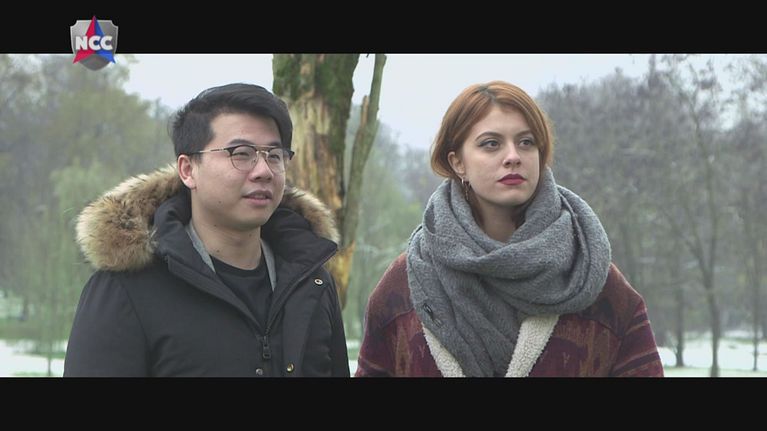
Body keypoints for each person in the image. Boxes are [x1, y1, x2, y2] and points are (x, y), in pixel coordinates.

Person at [355, 81, 664, 377]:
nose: (513, 157)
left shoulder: (593, 280)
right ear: (458, 162)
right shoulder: (403, 287)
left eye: (526, 142)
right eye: (491, 144)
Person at [64, 83, 349, 377]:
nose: (264, 171)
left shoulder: (311, 283)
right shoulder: (126, 289)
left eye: (274, 155)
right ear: (188, 170)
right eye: (241, 154)